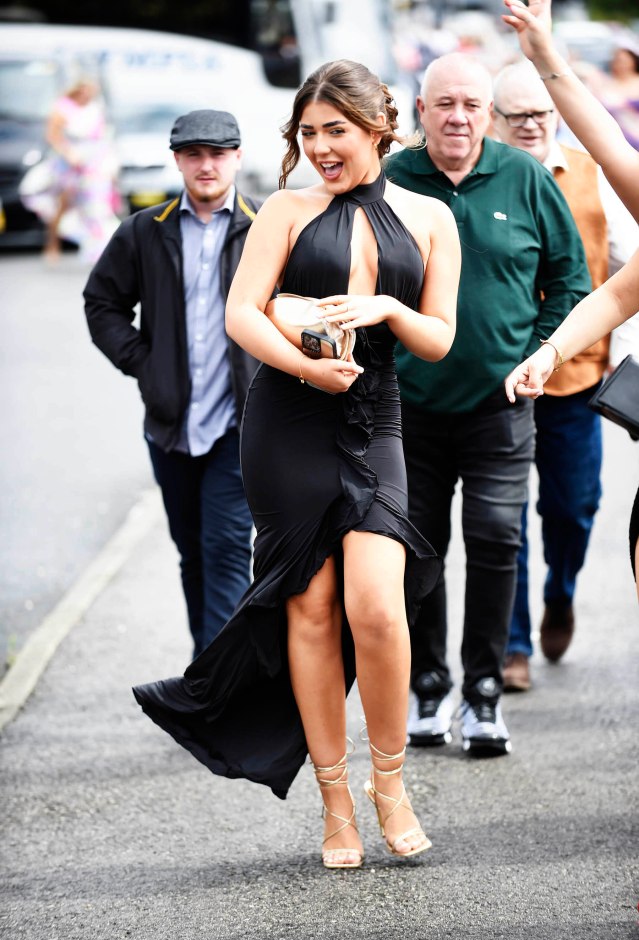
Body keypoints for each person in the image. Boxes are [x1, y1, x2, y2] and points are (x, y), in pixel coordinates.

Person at [132, 59, 461, 869]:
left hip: (374, 417)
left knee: (378, 607)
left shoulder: (428, 218)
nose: (319, 147)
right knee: (309, 610)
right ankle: (336, 804)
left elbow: (440, 338)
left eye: (334, 131)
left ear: (378, 128)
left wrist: (388, 307)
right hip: (286, 422)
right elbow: (240, 311)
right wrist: (307, 366)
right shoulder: (282, 208)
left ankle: (392, 785)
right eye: (307, 133)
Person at [384, 52, 591, 754]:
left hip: (501, 403)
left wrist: (540, 352)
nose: (458, 117)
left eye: (471, 105)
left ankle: (482, 691)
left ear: (487, 115)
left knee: (496, 539)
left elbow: (570, 280)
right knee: (418, 549)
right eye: (444, 104)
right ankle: (429, 683)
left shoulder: (525, 177)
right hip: (409, 406)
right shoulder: (389, 182)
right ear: (421, 112)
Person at [84, 110, 260, 658]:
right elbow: (103, 303)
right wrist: (144, 363)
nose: (206, 165)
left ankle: (217, 694)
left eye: (218, 153)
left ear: (237, 157)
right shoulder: (145, 230)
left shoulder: (263, 227)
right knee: (192, 553)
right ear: (178, 160)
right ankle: (207, 667)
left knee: (228, 549)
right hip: (170, 426)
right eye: (193, 155)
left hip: (240, 425)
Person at [492, 59, 639, 692]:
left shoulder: (596, 178)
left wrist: (617, 364)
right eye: (516, 114)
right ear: (495, 121)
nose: (529, 124)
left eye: (540, 112)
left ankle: (561, 590)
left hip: (580, 381)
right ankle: (516, 645)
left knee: (574, 509)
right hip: (499, 383)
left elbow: (623, 272)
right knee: (505, 517)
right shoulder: (480, 182)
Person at [37, 78, 118, 263]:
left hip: (94, 163)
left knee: (96, 204)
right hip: (70, 163)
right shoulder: (63, 108)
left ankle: (96, 247)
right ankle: (52, 244)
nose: (88, 95)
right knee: (64, 203)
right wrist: (69, 154)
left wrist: (108, 164)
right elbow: (53, 135)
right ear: (78, 90)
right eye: (86, 90)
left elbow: (103, 138)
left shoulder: (96, 108)